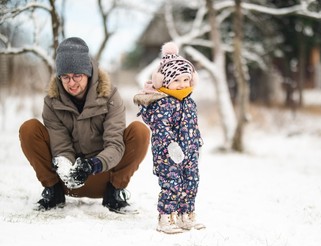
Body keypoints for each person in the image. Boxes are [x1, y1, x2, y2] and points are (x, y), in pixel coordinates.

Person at [19, 37, 150, 214]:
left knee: (139, 131)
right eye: (65, 77)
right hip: (67, 180)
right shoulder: (52, 101)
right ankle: (53, 192)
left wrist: (93, 165)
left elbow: (115, 145)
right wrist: (67, 169)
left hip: (102, 175)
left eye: (76, 76)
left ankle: (115, 193)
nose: (71, 83)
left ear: (88, 73)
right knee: (29, 128)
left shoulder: (110, 96)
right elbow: (61, 145)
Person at [133, 42, 205, 233]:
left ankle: (185, 215)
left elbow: (192, 126)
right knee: (171, 184)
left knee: (191, 182)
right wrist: (171, 146)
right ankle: (166, 218)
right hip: (168, 153)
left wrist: (197, 142)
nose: (182, 84)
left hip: (190, 152)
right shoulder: (162, 103)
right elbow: (161, 127)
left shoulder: (189, 102)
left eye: (186, 79)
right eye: (177, 80)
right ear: (164, 81)